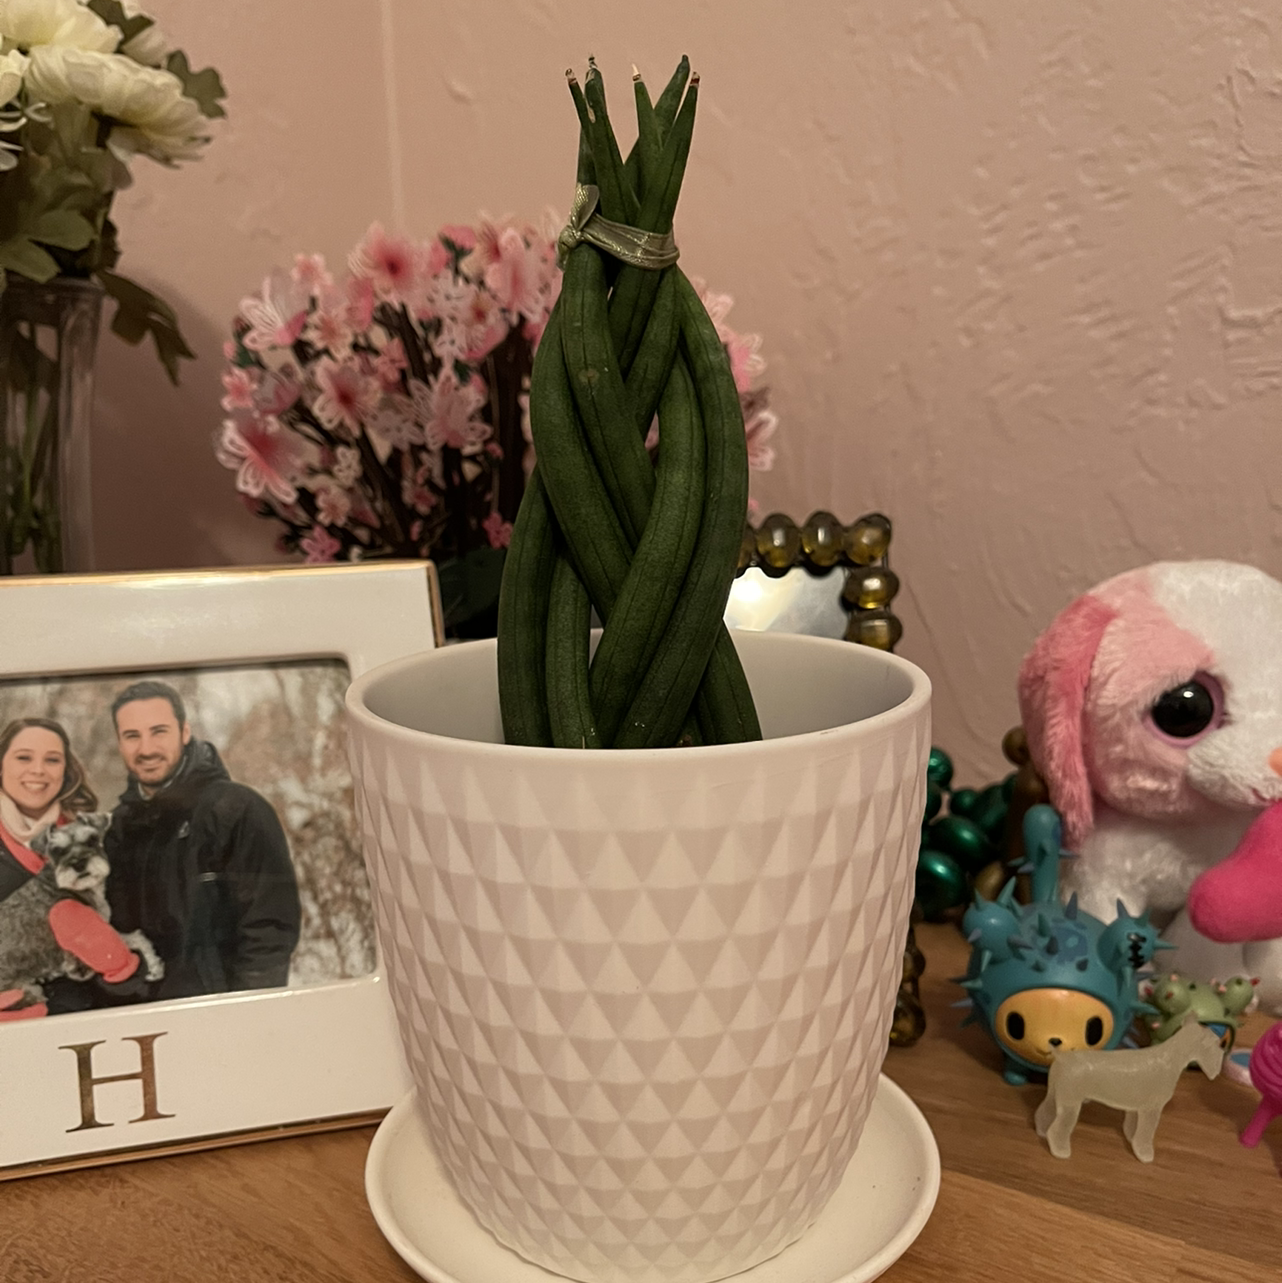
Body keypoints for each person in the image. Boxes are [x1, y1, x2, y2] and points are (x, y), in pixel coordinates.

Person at [104, 680, 301, 1000]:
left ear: (184, 732)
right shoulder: (118, 830)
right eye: (132, 736)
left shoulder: (235, 810)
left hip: (219, 1015)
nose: (146, 748)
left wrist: (250, 1013)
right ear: (119, 743)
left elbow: (269, 931)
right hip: (141, 1024)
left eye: (159, 731)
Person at [0, 717, 147, 1018]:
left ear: (66, 772)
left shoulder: (102, 838)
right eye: (23, 757)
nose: (38, 770)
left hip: (95, 1017)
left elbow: (130, 928)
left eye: (52, 760)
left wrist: (126, 975)